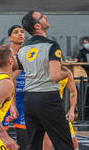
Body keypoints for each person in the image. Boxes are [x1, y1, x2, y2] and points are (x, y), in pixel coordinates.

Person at [18, 10, 74, 150]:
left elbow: (13, 76)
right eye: (42, 17)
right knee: (64, 143)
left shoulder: (22, 48)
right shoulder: (51, 45)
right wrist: (67, 73)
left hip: (29, 99)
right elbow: (55, 76)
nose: (46, 17)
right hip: (47, 98)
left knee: (34, 144)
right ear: (37, 26)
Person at [43, 70, 79, 150]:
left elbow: (73, 91)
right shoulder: (44, 72)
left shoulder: (66, 72)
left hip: (58, 110)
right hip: (44, 109)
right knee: (46, 141)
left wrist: (72, 109)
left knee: (74, 143)